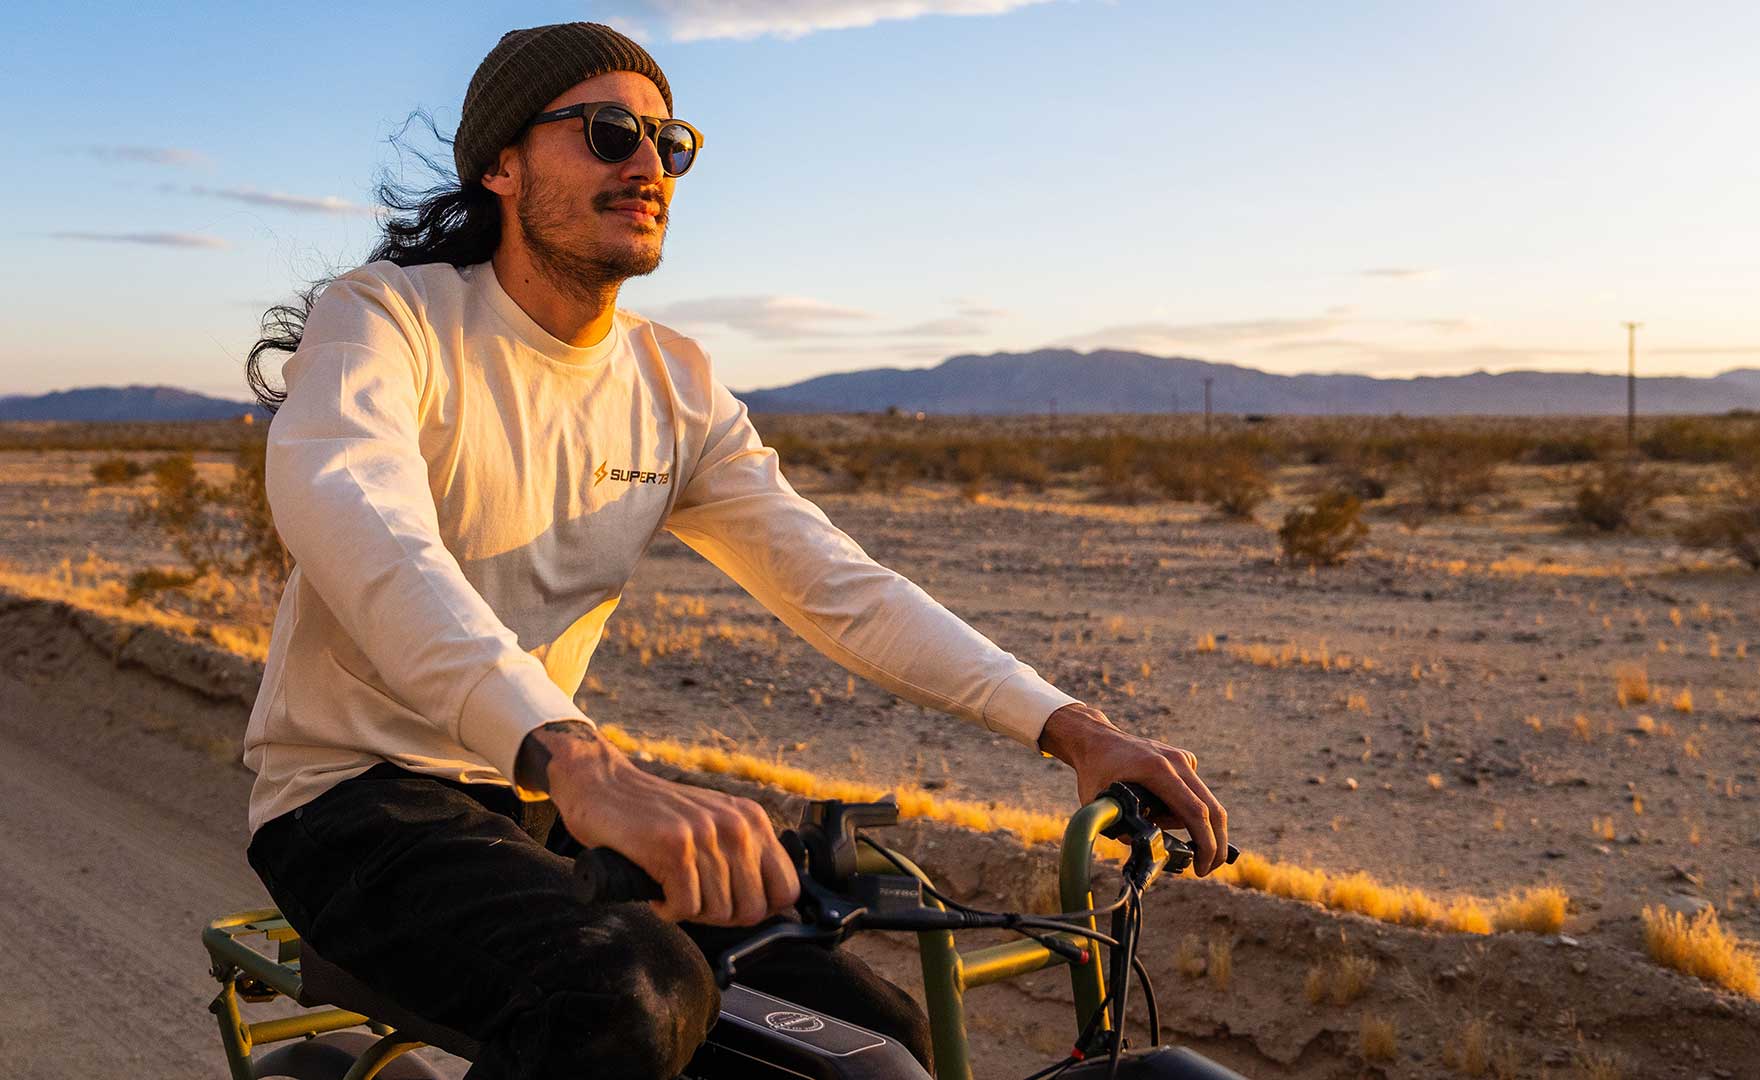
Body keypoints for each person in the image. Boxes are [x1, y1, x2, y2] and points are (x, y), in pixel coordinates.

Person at [239, 21, 1230, 1080]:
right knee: (621, 995)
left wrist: (1072, 728)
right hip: (352, 803)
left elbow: (836, 583)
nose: (645, 166)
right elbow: (358, 516)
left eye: (669, 145)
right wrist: (577, 759)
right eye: (609, 132)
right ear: (501, 163)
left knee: (877, 1041)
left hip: (537, 806)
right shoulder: (390, 321)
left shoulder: (674, 384)